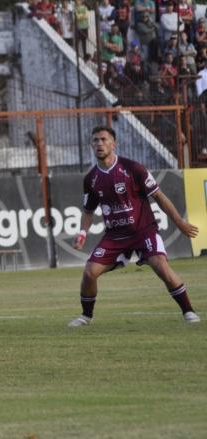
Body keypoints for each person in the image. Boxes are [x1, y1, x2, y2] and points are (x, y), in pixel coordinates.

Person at [69, 126, 200, 327]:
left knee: (161, 267)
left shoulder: (133, 168)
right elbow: (88, 210)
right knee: (89, 272)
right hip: (114, 237)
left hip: (143, 231)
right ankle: (86, 316)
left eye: (104, 139)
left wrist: (180, 223)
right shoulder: (91, 179)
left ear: (114, 144)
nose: (99, 144)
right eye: (95, 140)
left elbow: (158, 196)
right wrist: (82, 233)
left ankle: (188, 311)